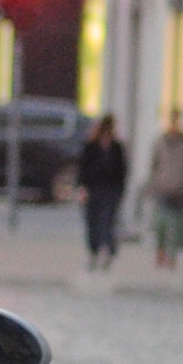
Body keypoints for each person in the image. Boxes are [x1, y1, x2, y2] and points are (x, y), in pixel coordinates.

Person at [145, 115, 183, 270]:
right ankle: (161, 250)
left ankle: (172, 256)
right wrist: (151, 186)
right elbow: (154, 166)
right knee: (160, 224)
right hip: (163, 188)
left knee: (175, 226)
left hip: (179, 189)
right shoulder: (160, 143)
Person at [76, 115, 128, 271]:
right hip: (93, 190)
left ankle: (107, 253)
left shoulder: (117, 147)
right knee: (93, 223)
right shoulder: (91, 146)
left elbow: (122, 171)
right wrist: (82, 188)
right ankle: (94, 252)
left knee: (108, 222)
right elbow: (83, 169)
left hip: (110, 190)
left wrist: (120, 191)